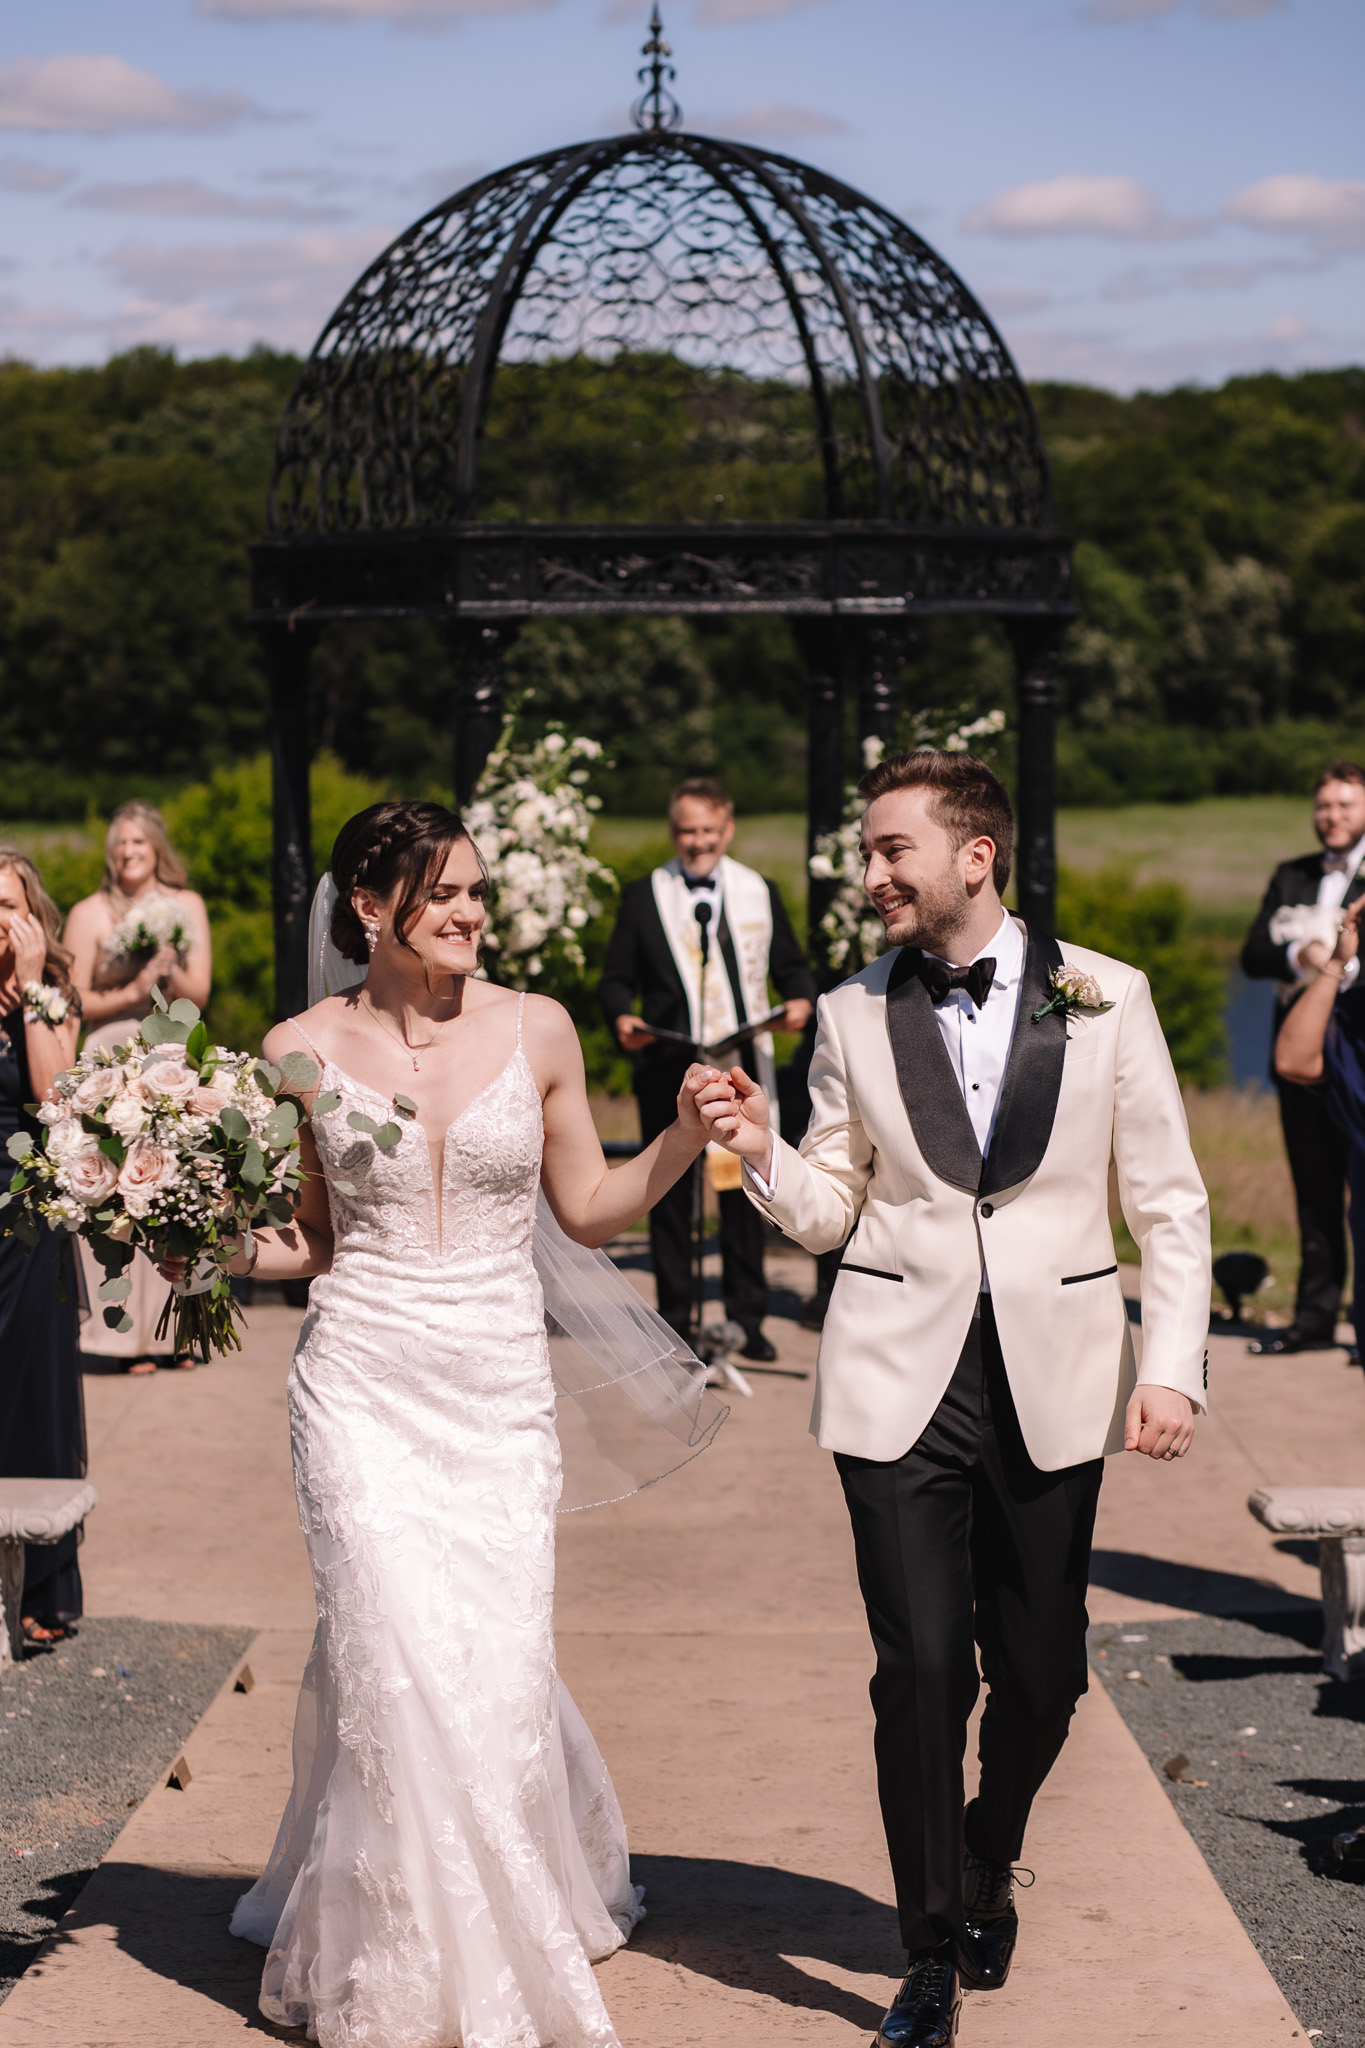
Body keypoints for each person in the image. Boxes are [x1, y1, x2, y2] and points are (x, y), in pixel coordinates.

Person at [165, 800, 725, 2048]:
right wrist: (191, 1235)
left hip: (495, 1389)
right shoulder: (297, 1047)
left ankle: (507, 1906)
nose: (475, 910)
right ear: (371, 909)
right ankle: (399, 1967)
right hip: (357, 1381)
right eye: (446, 893)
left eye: (479, 889)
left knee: (491, 1666)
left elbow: (587, 1205)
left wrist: (684, 1136)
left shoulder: (539, 1028)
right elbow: (303, 1236)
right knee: (387, 1658)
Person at [697, 749, 1211, 2048]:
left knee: (1040, 1681)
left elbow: (1167, 1198)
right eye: (867, 854)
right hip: (893, 1380)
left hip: (1060, 1376)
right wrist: (761, 1151)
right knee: (919, 1669)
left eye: (889, 851)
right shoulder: (854, 1013)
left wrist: (1169, 1367)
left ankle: (988, 1850)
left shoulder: (1106, 996)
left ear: (973, 857)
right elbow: (831, 1206)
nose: (869, 875)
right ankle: (925, 1952)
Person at [597, 777, 814, 1359]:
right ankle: (677, 1319)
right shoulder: (645, 895)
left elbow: (793, 968)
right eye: (687, 831)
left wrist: (798, 1001)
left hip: (742, 1061)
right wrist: (623, 1018)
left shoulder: (757, 889)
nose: (698, 842)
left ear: (728, 830)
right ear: (674, 832)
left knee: (744, 1186)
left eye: (708, 831)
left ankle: (748, 1316)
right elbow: (616, 979)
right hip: (672, 1062)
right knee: (671, 1191)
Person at [65, 801, 211, 1373]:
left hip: (166, 1050)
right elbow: (76, 999)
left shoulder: (186, 905)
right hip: (106, 1052)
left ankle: (173, 1333)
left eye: (139, 844)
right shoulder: (88, 912)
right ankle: (116, 1339)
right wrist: (131, 990)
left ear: (156, 850)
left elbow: (199, 989)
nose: (128, 852)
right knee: (108, 1186)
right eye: (120, 843)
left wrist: (164, 967)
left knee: (171, 1183)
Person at [1241, 762, 1365, 1357]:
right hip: (1299, 1056)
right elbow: (1252, 953)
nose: (1332, 816)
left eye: (1344, 805)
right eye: (1324, 806)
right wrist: (1300, 954)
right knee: (1314, 1191)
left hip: (1359, 1052)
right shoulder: (1290, 874)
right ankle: (1314, 1320)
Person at [0, 850, 84, 1648]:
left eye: (9, 905)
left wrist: (30, 989)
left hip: (27, 1206)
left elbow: (55, 1101)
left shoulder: (53, 993)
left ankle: (38, 1587)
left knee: (33, 1388)